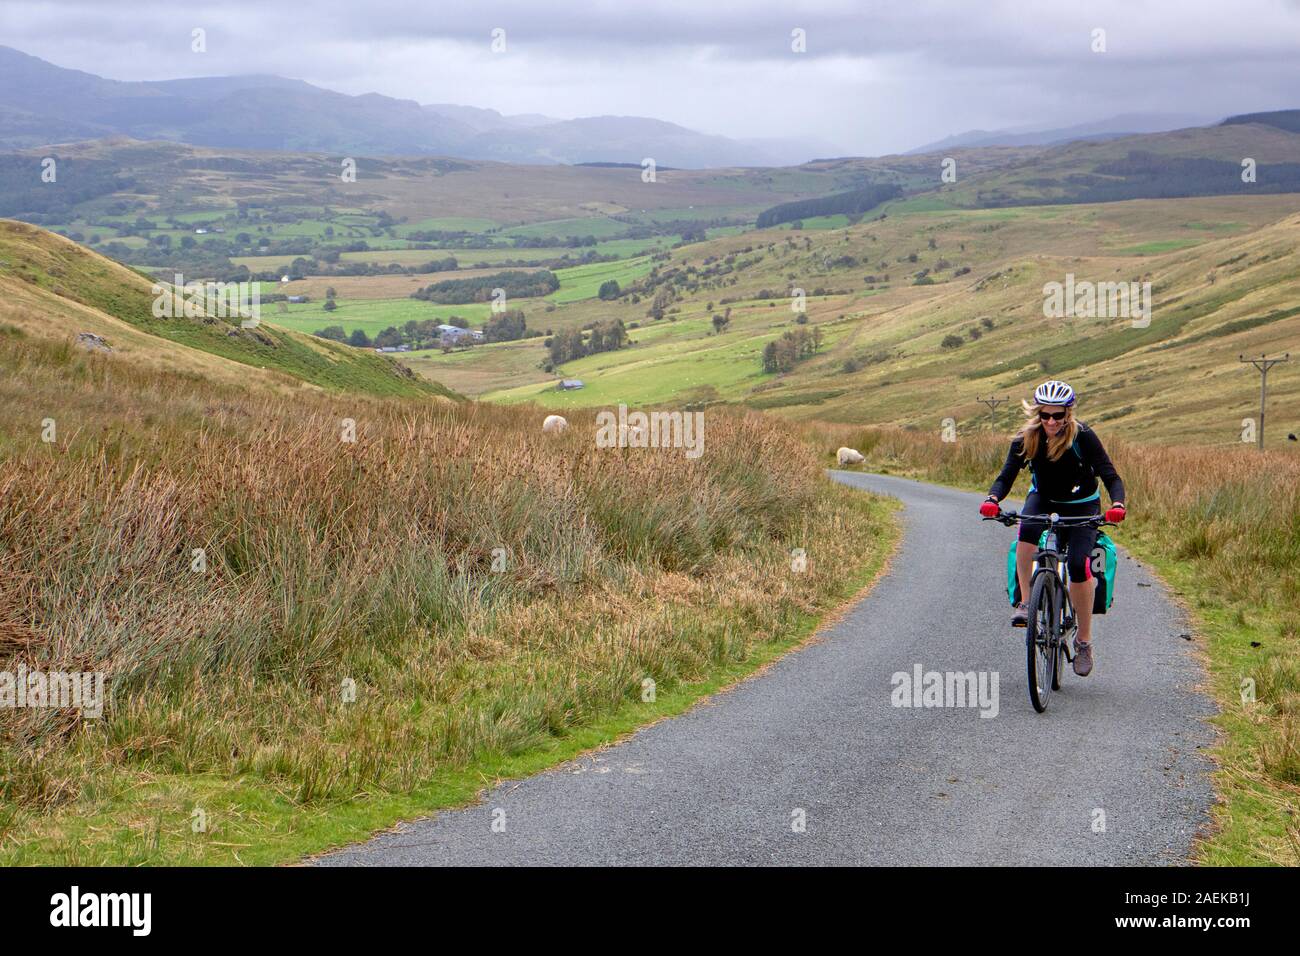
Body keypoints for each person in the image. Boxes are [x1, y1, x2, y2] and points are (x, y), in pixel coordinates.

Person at [978, 380, 1126, 676]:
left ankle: (1084, 642)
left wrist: (1118, 505)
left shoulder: (1083, 436)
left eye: (1058, 415)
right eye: (1045, 415)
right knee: (1026, 531)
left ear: (1068, 414)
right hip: (1043, 498)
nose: (1051, 422)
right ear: (1037, 413)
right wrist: (992, 498)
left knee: (1078, 565)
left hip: (1083, 504)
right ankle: (1024, 600)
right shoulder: (1025, 439)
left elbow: (1111, 476)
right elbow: (1006, 475)